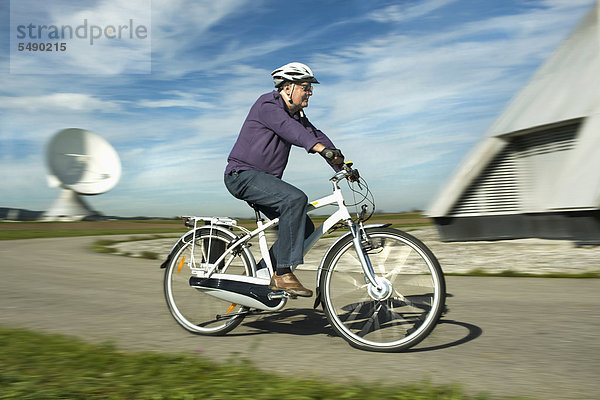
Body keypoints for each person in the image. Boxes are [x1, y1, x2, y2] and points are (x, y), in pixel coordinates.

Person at [224, 62, 344, 297]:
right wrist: (319, 149)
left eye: (310, 88)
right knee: (295, 200)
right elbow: (290, 130)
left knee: (305, 227)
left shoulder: (297, 115)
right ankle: (282, 274)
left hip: (263, 180)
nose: (309, 92)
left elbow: (314, 133)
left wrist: (338, 160)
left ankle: (261, 276)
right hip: (242, 175)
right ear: (288, 88)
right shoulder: (267, 104)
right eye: (305, 87)